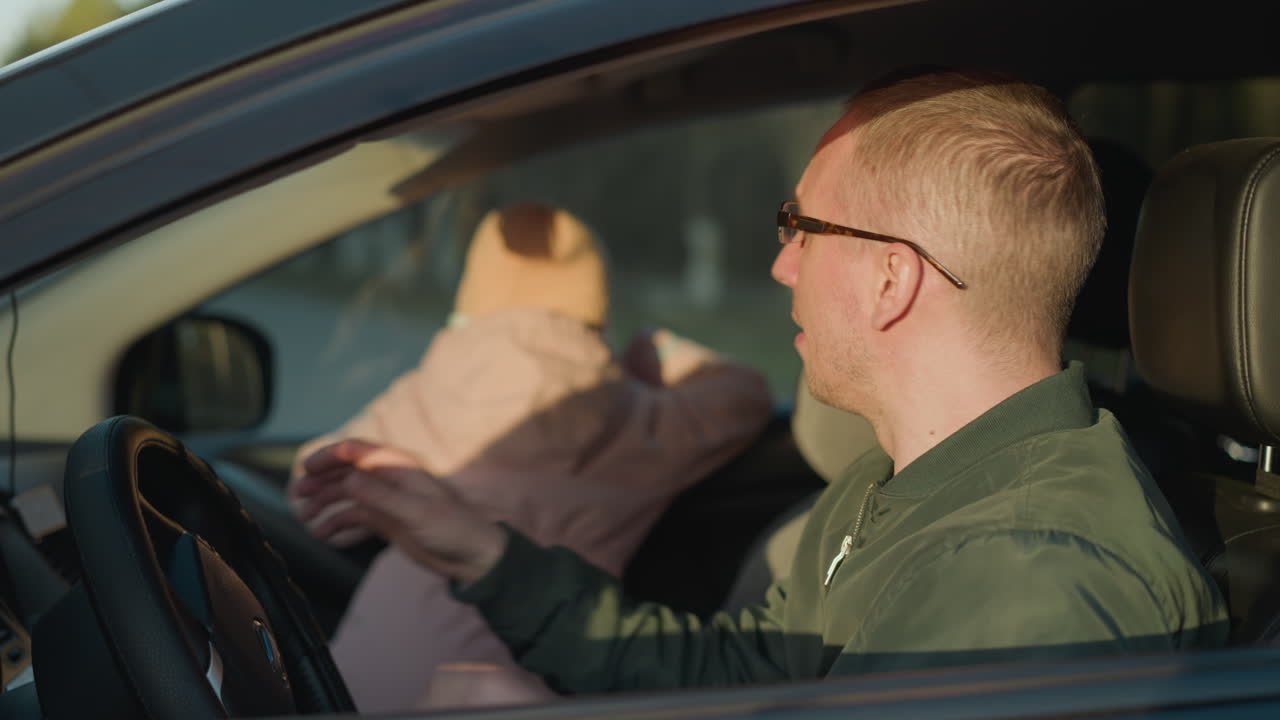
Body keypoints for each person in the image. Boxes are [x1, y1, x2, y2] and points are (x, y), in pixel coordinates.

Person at [293, 69, 1228, 695]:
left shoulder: (1034, 576)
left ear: (889, 277)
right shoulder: (895, 483)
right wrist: (475, 550)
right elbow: (747, 674)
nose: (781, 267)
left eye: (800, 227)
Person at [287, 202, 772, 709]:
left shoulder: (427, 393)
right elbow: (743, 395)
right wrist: (654, 347)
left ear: (472, 294)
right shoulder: (640, 421)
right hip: (521, 686)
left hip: (361, 679)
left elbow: (314, 486)